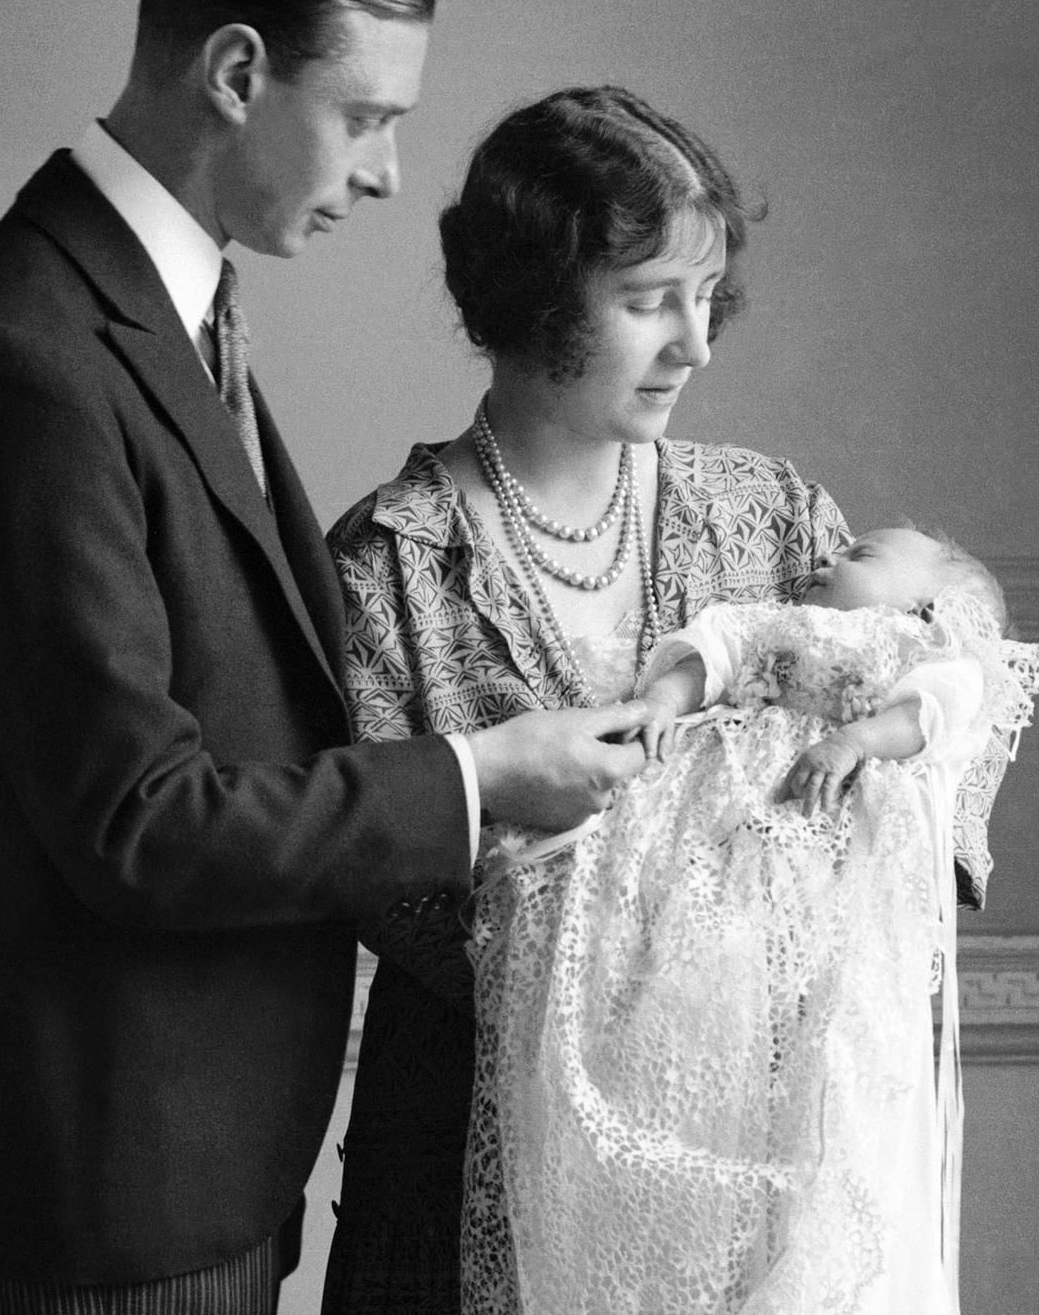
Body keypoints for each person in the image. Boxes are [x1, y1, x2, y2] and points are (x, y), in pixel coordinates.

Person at [0, 0, 652, 1315]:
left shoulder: (154, 308)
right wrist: (475, 777)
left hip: (177, 1145)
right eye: (368, 118)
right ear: (240, 70)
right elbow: (136, 819)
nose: (385, 171)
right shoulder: (33, 357)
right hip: (93, 1173)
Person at [320, 84, 851, 1314]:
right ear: (535, 300)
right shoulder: (390, 563)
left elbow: (937, 749)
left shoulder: (773, 518)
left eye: (706, 297)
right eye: (649, 300)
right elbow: (385, 881)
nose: (697, 344)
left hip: (744, 1177)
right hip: (462, 1168)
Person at [466, 527, 1039, 1313]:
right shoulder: (776, 622)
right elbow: (712, 653)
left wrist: (853, 741)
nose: (825, 561)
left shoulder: (916, 652)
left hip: (809, 834)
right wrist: (663, 705)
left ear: (928, 607)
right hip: (704, 814)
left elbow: (934, 715)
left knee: (806, 1024)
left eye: (861, 557)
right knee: (675, 928)